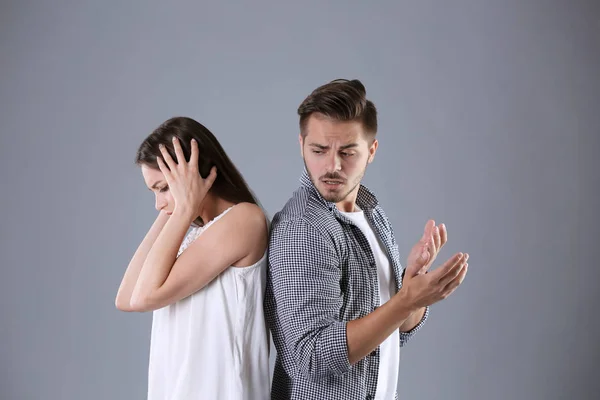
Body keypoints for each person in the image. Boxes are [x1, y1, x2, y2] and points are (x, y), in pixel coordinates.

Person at [265, 79, 470, 400]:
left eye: (347, 152)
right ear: (301, 144)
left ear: (371, 150)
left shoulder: (372, 215)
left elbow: (388, 336)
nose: (332, 165)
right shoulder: (304, 227)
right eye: (318, 150)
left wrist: (412, 290)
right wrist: (407, 300)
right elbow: (312, 355)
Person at [115, 116, 270, 400]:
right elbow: (126, 298)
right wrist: (178, 208)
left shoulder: (244, 219)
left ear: (194, 173)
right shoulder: (191, 234)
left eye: (163, 187)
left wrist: (184, 207)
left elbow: (144, 297)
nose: (158, 204)